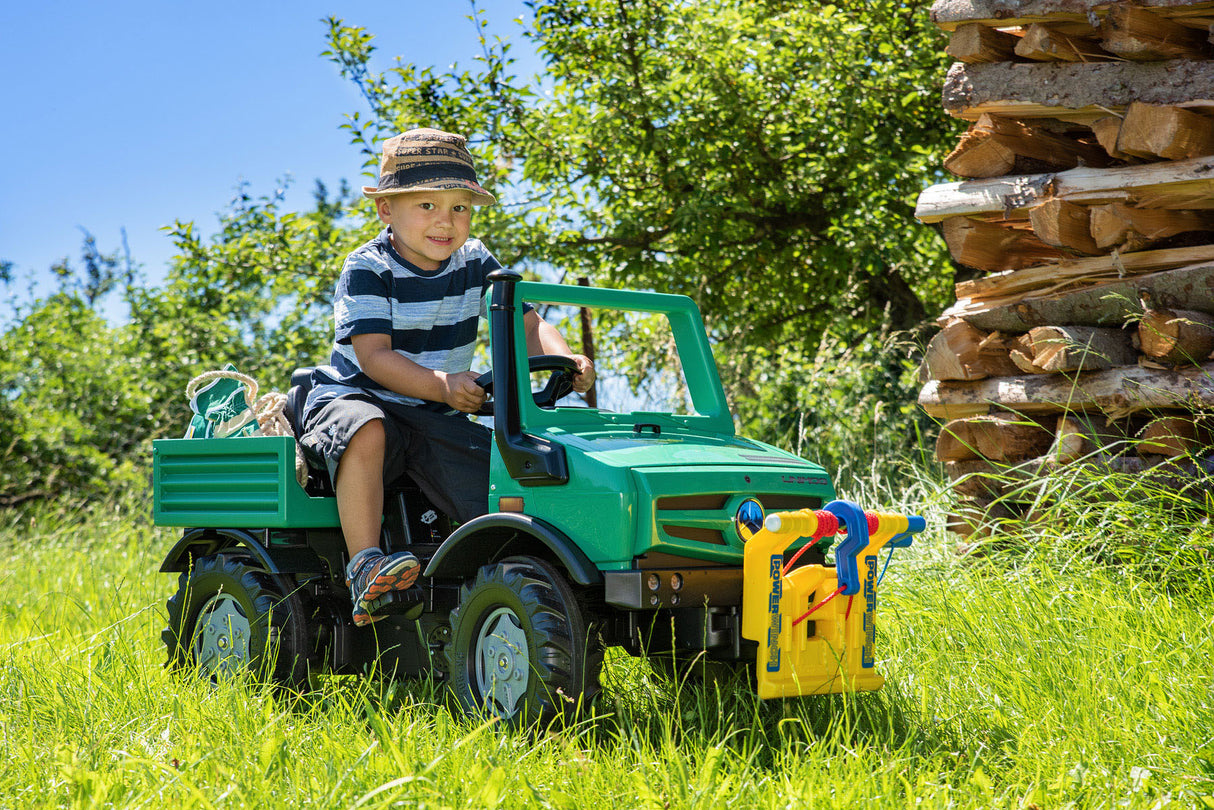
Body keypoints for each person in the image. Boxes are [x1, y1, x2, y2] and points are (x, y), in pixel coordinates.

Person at [301, 128, 594, 626]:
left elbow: (527, 323)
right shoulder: (368, 268)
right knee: (367, 428)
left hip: (436, 409)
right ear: (386, 210)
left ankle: (500, 580)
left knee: (502, 467)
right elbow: (373, 357)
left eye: (459, 207)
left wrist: (570, 360)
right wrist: (441, 384)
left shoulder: (475, 261)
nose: (446, 221)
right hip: (357, 395)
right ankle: (365, 566)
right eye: (428, 205)